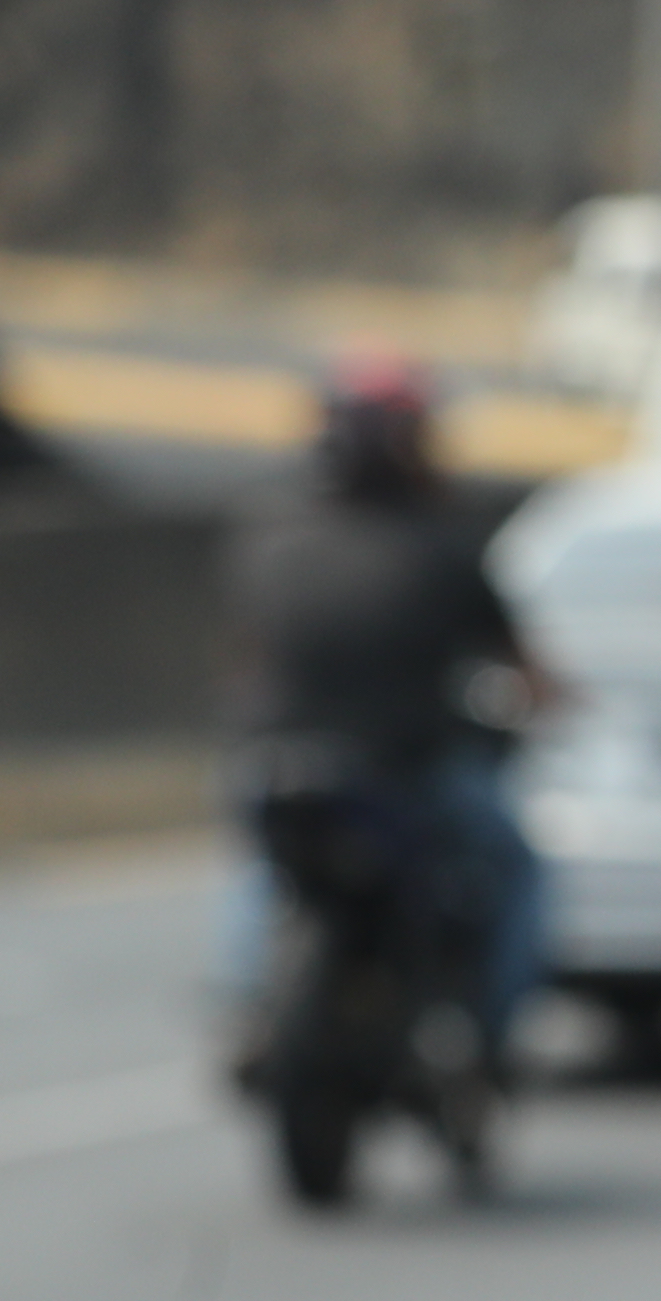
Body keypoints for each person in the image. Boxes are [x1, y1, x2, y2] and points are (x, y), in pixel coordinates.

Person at [225, 355, 549, 1059]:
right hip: (407, 775)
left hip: (276, 766)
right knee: (519, 867)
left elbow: (249, 661)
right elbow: (528, 673)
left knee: (258, 867)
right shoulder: (444, 547)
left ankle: (248, 1005)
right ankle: (492, 1032)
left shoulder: (269, 538)